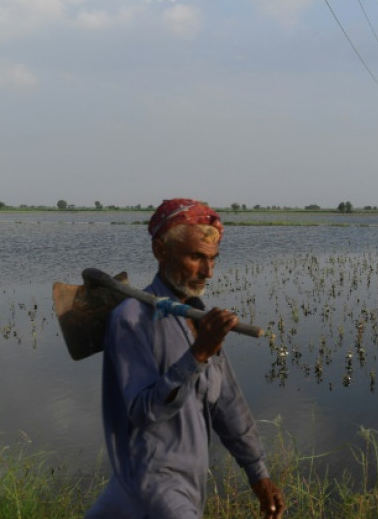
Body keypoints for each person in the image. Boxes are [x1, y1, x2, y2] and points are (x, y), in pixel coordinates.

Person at [86, 198, 285, 518]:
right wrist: (198, 354)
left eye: (213, 259)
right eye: (196, 257)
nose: (208, 272)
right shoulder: (130, 319)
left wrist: (258, 474)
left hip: (188, 487)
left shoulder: (199, 320)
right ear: (160, 251)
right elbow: (144, 412)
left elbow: (227, 403)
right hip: (151, 489)